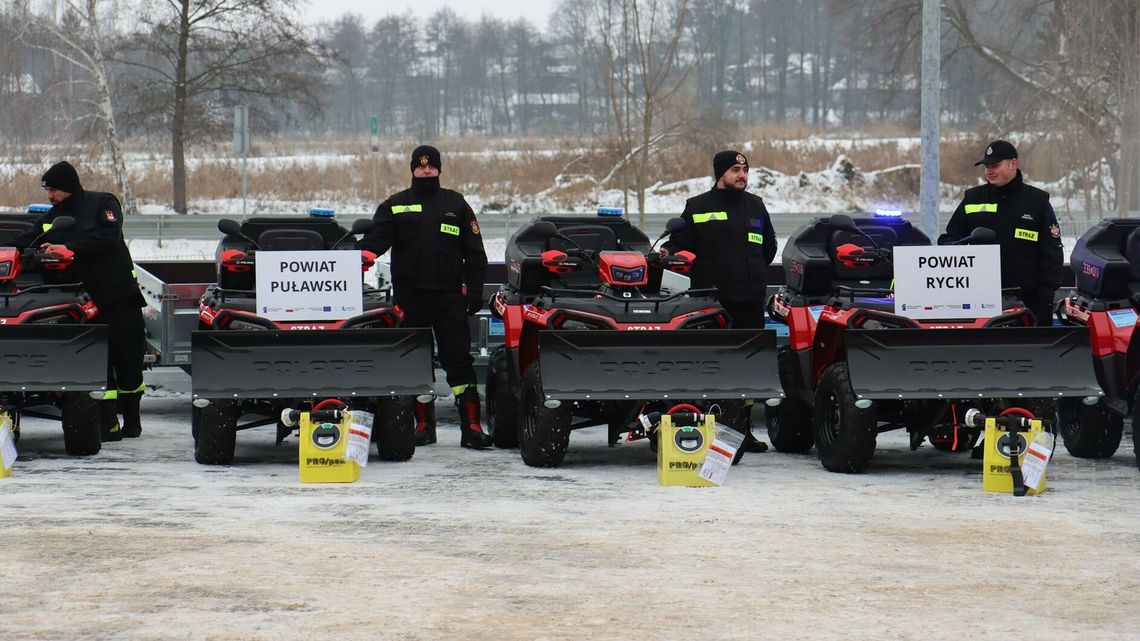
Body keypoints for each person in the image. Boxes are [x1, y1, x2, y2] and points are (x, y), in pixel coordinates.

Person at [360, 145, 492, 449]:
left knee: (459, 361)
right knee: (415, 362)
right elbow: (378, 238)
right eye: (421, 167)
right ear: (412, 169)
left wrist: (474, 292)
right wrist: (362, 253)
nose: (426, 171)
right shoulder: (395, 205)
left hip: (449, 298)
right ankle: (422, 426)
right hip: (410, 299)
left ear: (439, 169)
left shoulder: (456, 204)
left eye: (431, 166)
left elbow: (475, 253)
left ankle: (472, 428)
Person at [13, 161, 146, 441]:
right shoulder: (53, 215)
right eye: (47, 190)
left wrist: (69, 247)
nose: (50, 195)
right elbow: (29, 238)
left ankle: (132, 420)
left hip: (117, 296)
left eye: (53, 190)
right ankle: (108, 424)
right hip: (81, 303)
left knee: (128, 360)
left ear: (68, 186)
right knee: (97, 363)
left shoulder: (103, 203)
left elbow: (109, 236)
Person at [664, 150, 778, 454]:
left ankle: (742, 431)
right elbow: (679, 246)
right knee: (711, 363)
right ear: (720, 174)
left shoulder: (756, 205)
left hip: (749, 300)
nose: (742, 175)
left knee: (746, 366)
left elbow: (768, 248)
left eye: (745, 170)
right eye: (735, 170)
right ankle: (705, 427)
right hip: (710, 302)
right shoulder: (698, 206)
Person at [938, 140, 1063, 326]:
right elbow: (949, 239)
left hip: (1028, 301)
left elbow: (1052, 252)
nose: (989, 171)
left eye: (995, 166)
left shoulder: (1037, 202)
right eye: (987, 167)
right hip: (979, 299)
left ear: (1013, 164)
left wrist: (1046, 296)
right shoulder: (973, 198)